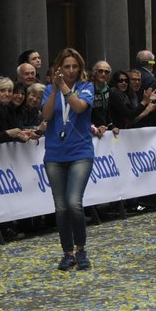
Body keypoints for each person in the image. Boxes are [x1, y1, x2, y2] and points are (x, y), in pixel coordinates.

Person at [41, 48, 96, 271]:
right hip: (54, 154)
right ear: (59, 69)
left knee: (74, 202)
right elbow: (45, 115)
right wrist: (54, 89)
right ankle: (67, 252)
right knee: (61, 206)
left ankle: (81, 248)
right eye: (66, 67)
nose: (71, 71)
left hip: (80, 152)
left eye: (74, 67)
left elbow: (79, 107)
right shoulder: (48, 89)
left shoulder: (86, 87)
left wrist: (64, 87)